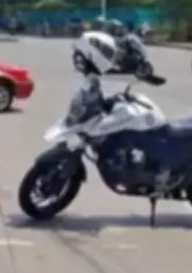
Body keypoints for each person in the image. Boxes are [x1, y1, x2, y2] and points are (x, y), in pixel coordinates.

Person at [72, 32, 173, 189]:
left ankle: (154, 172)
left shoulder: (134, 61)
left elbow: (142, 72)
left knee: (141, 120)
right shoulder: (113, 60)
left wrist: (146, 74)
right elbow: (112, 73)